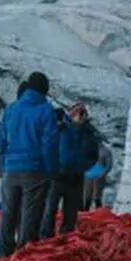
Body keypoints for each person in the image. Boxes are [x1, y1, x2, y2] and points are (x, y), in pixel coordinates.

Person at [0, 71, 59, 257]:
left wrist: (3, 164)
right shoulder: (46, 110)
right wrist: (51, 170)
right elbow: (49, 144)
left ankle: (4, 249)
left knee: (8, 211)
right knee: (30, 213)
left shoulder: (12, 108)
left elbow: (1, 140)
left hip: (10, 169)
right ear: (44, 89)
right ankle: (23, 253)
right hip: (35, 169)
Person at [39, 102, 99, 238]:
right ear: (71, 114)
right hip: (57, 176)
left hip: (76, 178)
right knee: (49, 210)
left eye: (83, 113)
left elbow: (93, 156)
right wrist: (52, 167)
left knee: (71, 214)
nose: (81, 116)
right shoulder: (60, 127)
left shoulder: (89, 133)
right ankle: (44, 238)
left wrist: (82, 167)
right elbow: (48, 147)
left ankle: (65, 240)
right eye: (78, 112)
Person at [82, 138, 113, 210]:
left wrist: (103, 174)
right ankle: (85, 213)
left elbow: (109, 165)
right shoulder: (89, 149)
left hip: (99, 176)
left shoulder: (106, 151)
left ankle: (99, 213)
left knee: (97, 196)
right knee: (87, 196)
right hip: (88, 175)